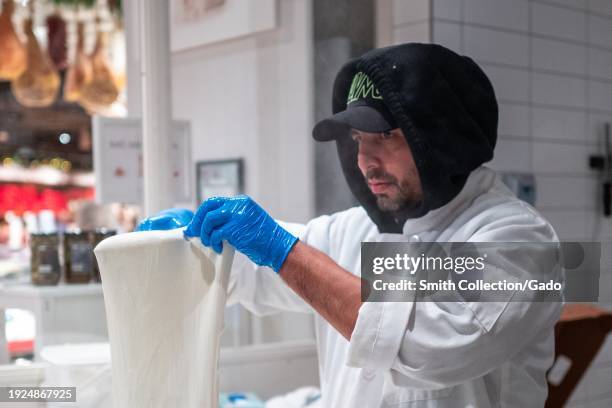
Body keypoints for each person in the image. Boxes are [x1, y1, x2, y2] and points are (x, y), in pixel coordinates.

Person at [139, 43, 562, 407]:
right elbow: (252, 275)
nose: (364, 162)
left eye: (385, 137)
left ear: (440, 139)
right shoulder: (354, 230)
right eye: (359, 140)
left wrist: (282, 250)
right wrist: (192, 245)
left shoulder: (523, 242)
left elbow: (422, 347)